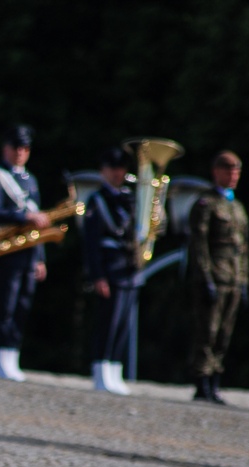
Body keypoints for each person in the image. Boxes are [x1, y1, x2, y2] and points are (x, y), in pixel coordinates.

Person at [0, 125, 50, 381]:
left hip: (28, 252)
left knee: (22, 306)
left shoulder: (30, 179)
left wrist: (40, 257)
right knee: (4, 305)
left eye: (25, 148)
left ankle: (11, 356)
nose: (20, 152)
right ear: (6, 148)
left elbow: (38, 226)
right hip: (5, 251)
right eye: (16, 147)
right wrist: (23, 217)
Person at [187, 151, 249, 404]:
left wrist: (244, 280)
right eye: (228, 171)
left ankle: (215, 381)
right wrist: (205, 278)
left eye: (236, 172)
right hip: (215, 276)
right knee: (208, 332)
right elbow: (199, 245)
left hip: (233, 279)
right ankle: (202, 382)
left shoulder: (237, 207)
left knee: (224, 333)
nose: (233, 176)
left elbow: (242, 248)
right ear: (216, 172)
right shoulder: (206, 204)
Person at [82, 147, 136, 394]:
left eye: (121, 168)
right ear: (103, 171)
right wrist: (98, 275)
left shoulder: (130, 198)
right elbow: (91, 244)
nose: (117, 173)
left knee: (123, 323)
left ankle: (115, 369)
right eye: (113, 168)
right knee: (107, 323)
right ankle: (100, 370)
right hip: (109, 267)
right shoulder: (97, 200)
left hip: (128, 267)